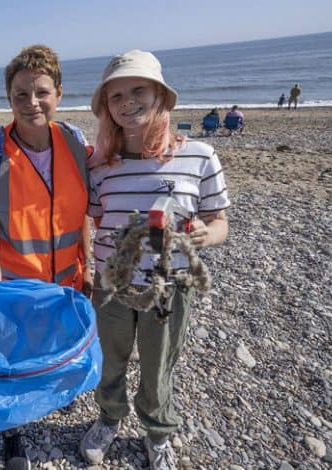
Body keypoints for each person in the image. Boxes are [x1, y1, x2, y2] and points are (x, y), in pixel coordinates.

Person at [79, 50, 230, 469]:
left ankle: (157, 432)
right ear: (107, 108)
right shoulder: (99, 165)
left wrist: (206, 234)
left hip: (169, 288)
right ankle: (109, 418)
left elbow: (220, 223)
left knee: (158, 365)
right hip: (110, 286)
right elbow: (92, 219)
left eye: (138, 89)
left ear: (160, 94)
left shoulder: (199, 155)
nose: (128, 101)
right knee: (109, 359)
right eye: (116, 96)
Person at [0, 44, 93, 470]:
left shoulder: (74, 142)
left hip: (66, 281)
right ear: (9, 97)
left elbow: (84, 212)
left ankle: (50, 394)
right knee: (11, 356)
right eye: (21, 94)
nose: (32, 102)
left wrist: (88, 263)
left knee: (54, 345)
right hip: (13, 285)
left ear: (58, 92)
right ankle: (12, 431)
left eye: (41, 92)